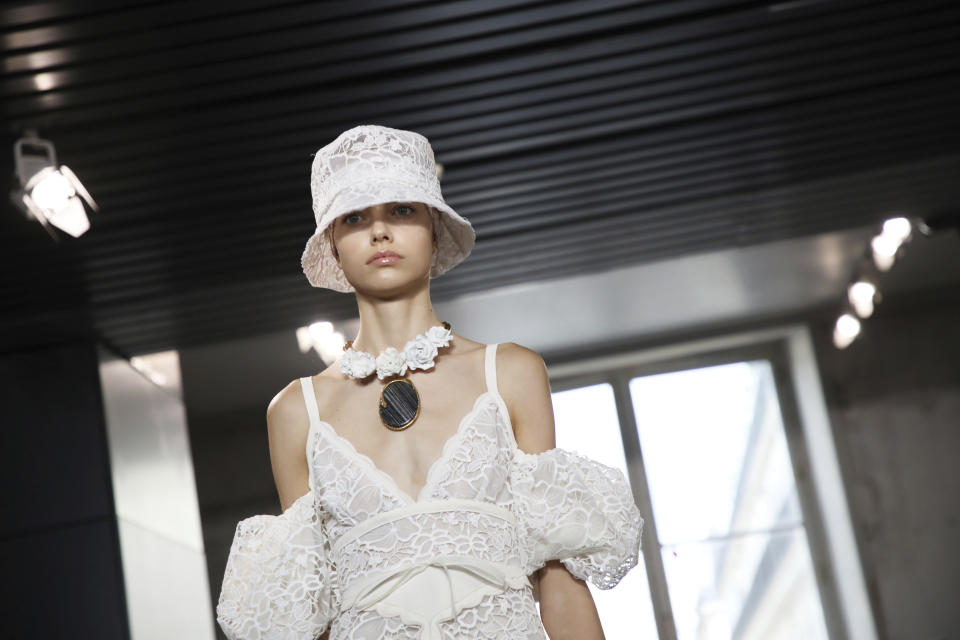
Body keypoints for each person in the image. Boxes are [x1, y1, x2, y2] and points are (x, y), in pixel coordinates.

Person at [216, 124, 643, 640]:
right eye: (354, 217)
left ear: (434, 227)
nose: (380, 232)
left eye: (401, 210)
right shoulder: (296, 410)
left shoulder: (509, 371)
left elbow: (559, 580)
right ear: (332, 241)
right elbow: (312, 617)